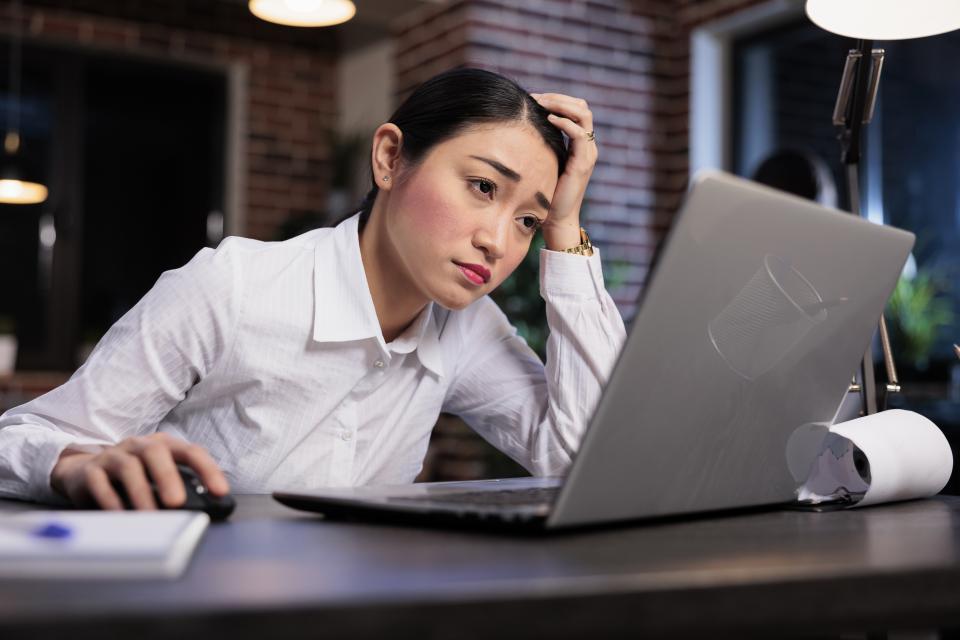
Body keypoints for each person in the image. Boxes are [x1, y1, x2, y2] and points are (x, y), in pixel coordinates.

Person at [0, 68, 626, 510]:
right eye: (484, 186)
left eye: (528, 221)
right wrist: (77, 465)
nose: (499, 240)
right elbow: (20, 439)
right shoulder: (234, 286)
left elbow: (579, 461)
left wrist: (565, 231)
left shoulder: (465, 326)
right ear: (389, 159)